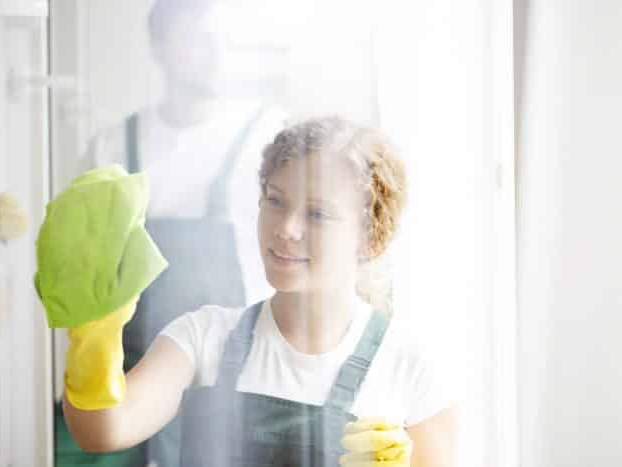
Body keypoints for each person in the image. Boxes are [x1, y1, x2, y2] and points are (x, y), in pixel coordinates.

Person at [62, 116, 458, 467]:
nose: (285, 228)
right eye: (275, 201)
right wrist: (92, 333)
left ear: (372, 239)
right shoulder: (204, 338)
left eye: (317, 214)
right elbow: (103, 431)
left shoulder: (409, 367)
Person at [72, 0, 287, 465]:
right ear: (161, 47)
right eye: (198, 38)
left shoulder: (264, 135)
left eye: (222, 40)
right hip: (141, 371)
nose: (216, 53)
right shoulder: (113, 145)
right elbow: (89, 272)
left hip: (241, 365)